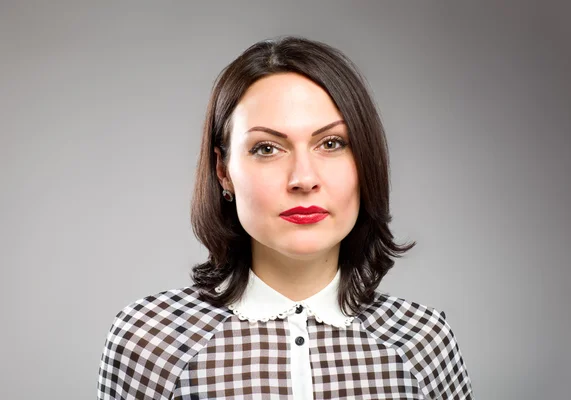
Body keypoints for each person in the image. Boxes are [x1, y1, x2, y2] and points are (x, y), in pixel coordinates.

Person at [97, 35, 474, 399]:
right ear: (223, 170)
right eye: (267, 148)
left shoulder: (423, 341)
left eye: (331, 143)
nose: (304, 179)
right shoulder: (149, 340)